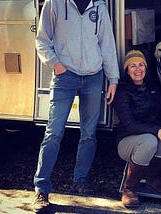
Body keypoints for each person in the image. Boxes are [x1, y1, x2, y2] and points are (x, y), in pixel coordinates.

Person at [32, 0, 119, 212]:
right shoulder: (55, 3)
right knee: (53, 133)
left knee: (89, 133)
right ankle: (41, 189)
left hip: (93, 77)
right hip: (65, 77)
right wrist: (56, 65)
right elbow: (42, 40)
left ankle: (80, 180)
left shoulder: (99, 6)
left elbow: (106, 44)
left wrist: (113, 79)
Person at [113, 50, 161, 208]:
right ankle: (129, 189)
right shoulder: (122, 91)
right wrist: (157, 130)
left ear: (146, 68)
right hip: (127, 141)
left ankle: (152, 179)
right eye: (132, 66)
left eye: (141, 65)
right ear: (127, 70)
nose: (138, 69)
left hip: (150, 135)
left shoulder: (152, 88)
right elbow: (130, 124)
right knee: (150, 141)